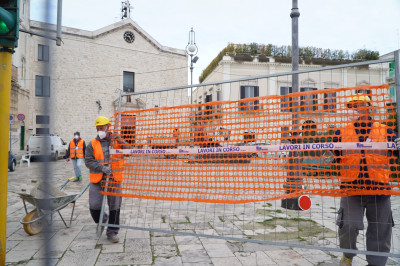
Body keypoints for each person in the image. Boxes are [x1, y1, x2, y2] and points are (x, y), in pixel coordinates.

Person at [332, 94, 398, 266]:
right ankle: (348, 255)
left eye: (357, 106)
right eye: (351, 106)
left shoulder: (386, 131)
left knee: (379, 232)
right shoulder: (341, 132)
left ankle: (376, 263)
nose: (353, 110)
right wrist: (329, 154)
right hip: (351, 191)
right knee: (348, 226)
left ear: (368, 108)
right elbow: (335, 157)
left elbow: (397, 153)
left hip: (380, 191)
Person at [84, 116, 122, 243]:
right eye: (98, 128)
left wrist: (120, 140)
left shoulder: (116, 140)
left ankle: (112, 232)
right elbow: (88, 161)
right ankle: (102, 218)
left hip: (114, 179)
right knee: (94, 205)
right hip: (97, 179)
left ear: (108, 127)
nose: (99, 130)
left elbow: (129, 151)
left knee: (115, 207)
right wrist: (101, 168)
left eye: (102, 127)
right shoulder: (92, 143)